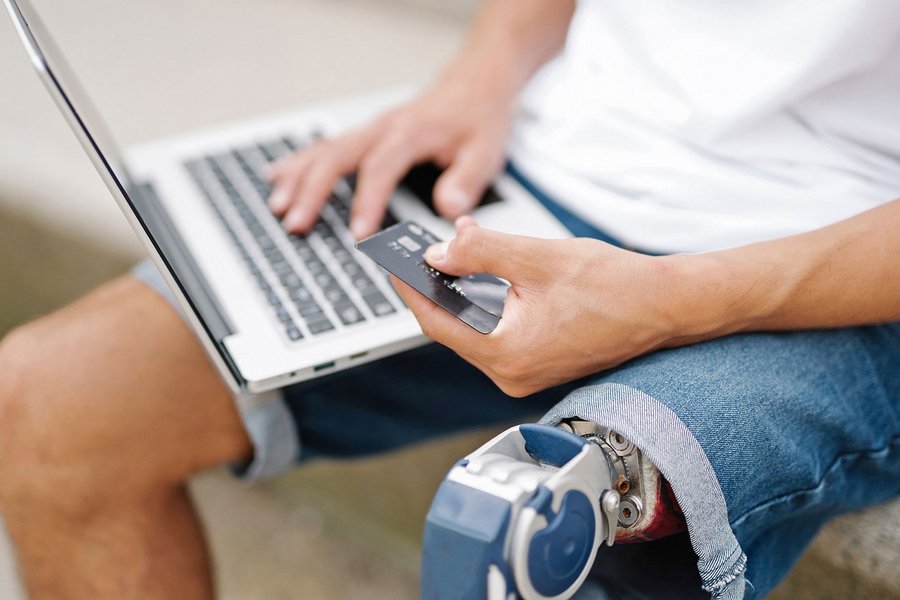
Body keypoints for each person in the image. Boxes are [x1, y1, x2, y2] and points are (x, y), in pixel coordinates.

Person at [1, 0, 899, 598]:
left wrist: (665, 300)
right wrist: (483, 73)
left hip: (833, 264)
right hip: (546, 171)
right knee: (51, 401)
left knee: (519, 532)